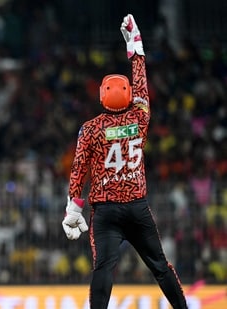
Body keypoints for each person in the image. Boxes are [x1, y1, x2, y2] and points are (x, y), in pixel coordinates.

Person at [61, 14, 188, 309]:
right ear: (128, 96)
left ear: (102, 96)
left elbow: (79, 169)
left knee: (103, 268)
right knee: (159, 265)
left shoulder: (90, 129)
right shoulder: (140, 117)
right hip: (137, 208)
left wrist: (73, 207)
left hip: (105, 213)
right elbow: (142, 87)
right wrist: (136, 47)